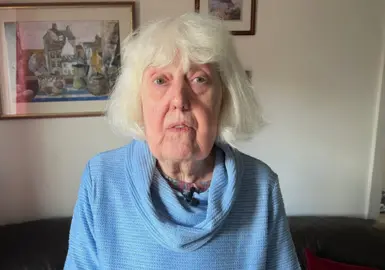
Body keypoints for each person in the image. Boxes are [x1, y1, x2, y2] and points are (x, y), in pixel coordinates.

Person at [64, 12, 301, 270]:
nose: (179, 99)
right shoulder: (101, 179)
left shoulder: (260, 185)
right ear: (138, 99)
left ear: (224, 99)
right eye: (160, 80)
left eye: (199, 79)